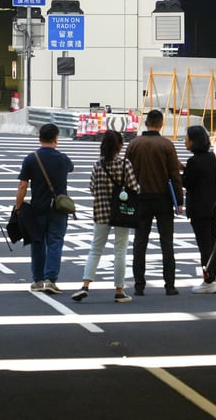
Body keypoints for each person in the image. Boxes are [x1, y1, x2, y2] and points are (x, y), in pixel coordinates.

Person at [71, 130, 140, 303]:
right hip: (122, 213)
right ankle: (119, 291)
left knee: (95, 249)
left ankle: (85, 285)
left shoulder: (98, 165)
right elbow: (134, 188)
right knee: (120, 252)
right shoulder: (125, 164)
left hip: (101, 212)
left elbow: (92, 188)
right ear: (119, 146)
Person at [126, 109, 184, 296]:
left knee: (140, 242)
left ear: (146, 123)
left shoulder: (134, 144)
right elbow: (174, 175)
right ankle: (170, 285)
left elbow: (127, 171)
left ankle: (139, 285)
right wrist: (179, 201)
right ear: (160, 124)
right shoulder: (166, 145)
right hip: (163, 199)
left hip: (140, 199)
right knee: (166, 242)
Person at [15, 123, 74, 294]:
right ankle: (50, 279)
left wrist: (18, 207)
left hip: (37, 208)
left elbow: (22, 186)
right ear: (56, 138)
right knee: (55, 242)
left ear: (39, 138)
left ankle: (38, 280)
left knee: (37, 242)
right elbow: (71, 168)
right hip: (58, 207)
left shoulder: (31, 159)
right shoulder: (63, 159)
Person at [182, 125, 216, 293]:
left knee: (204, 246)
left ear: (193, 141)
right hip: (211, 207)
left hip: (198, 208)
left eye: (187, 138)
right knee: (210, 244)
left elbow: (187, 182)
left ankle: (209, 280)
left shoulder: (194, 161)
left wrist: (179, 172)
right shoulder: (211, 157)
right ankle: (212, 278)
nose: (185, 141)